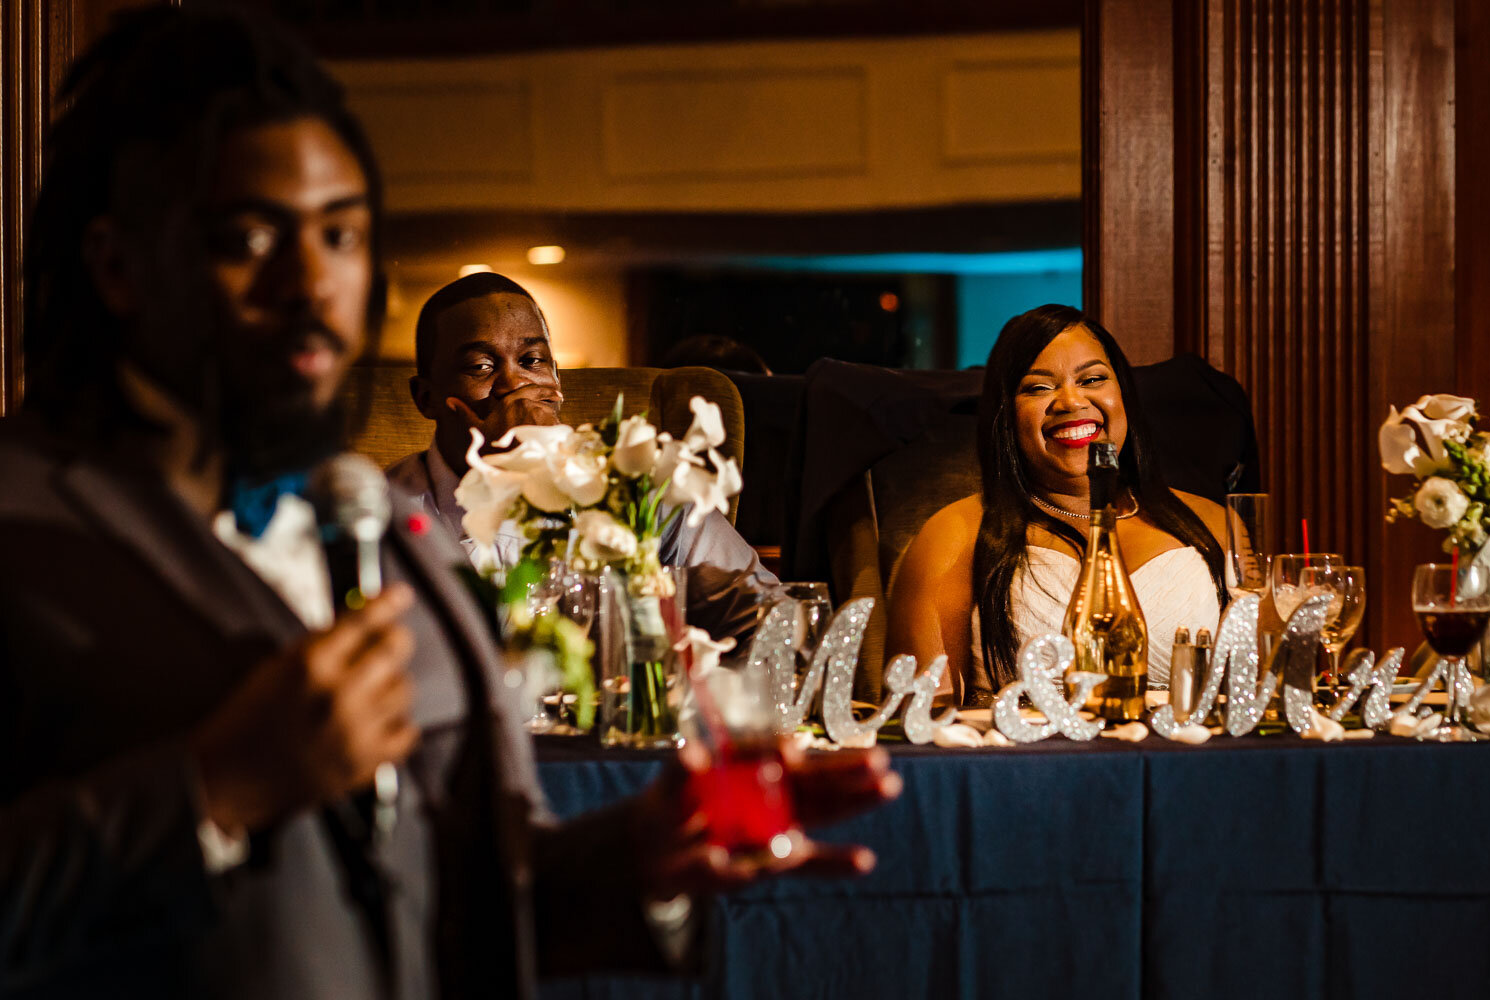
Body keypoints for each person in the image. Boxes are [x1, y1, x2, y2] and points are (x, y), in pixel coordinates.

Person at [0, 9, 899, 998]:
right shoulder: (23, 519)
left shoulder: (392, 537)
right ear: (118, 263)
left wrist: (633, 861)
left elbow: (452, 905)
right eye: (248, 236)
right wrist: (212, 795)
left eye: (339, 232)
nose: (312, 282)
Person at [387, 272, 778, 646]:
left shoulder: (639, 486)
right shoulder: (380, 516)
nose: (515, 385)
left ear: (557, 380)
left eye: (533, 360)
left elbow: (776, 618)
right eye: (481, 367)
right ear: (426, 397)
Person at [885, 304, 1228, 705]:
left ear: (1125, 398)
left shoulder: (1213, 522)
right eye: (1038, 387)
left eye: (1093, 379)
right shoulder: (953, 536)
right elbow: (920, 721)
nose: (1070, 401)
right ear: (1005, 415)